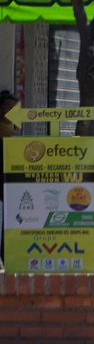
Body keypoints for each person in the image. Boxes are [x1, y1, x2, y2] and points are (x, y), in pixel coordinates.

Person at [0, 91, 19, 268]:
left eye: (13, 108)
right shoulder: (8, 133)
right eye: (7, 107)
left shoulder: (14, 132)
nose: (10, 111)